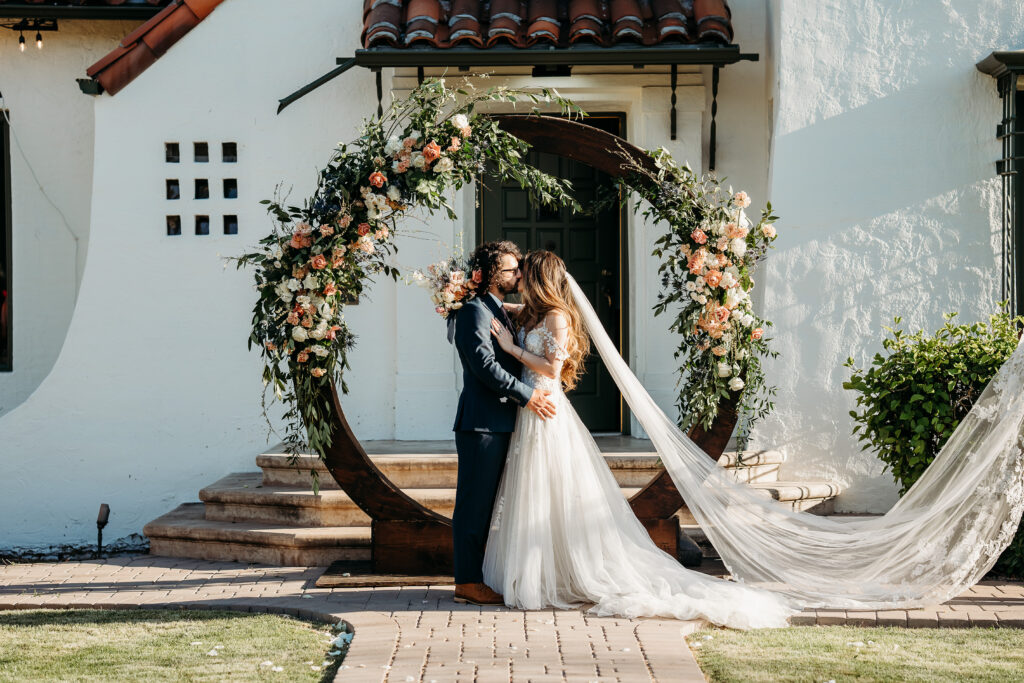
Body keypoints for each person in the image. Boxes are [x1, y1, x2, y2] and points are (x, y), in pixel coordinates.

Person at [484, 250, 798, 629]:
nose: (517, 277)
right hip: (529, 410)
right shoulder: (532, 312)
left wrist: (511, 349)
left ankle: (557, 574)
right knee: (535, 491)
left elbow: (551, 366)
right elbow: (501, 306)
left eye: (524, 273)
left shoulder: (557, 317)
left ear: (538, 278)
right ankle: (539, 572)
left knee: (552, 488)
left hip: (546, 409)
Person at [449, 240, 558, 606]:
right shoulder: (475, 312)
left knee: (488, 505)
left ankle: (479, 575)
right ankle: (466, 581)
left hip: (500, 422)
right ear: (493, 275)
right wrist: (526, 395)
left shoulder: (498, 308)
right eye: (512, 270)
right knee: (473, 505)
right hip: (481, 424)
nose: (518, 275)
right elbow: (484, 367)